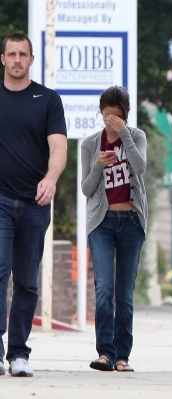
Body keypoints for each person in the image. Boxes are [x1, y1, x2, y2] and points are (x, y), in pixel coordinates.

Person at [0, 33, 67, 377]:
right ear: (2, 58)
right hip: (0, 200)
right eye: (11, 54)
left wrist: (51, 178)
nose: (16, 59)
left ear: (31, 59)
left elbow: (58, 147)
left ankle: (18, 354)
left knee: (26, 281)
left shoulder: (48, 100)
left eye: (22, 54)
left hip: (35, 203)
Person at [81, 86, 147, 372]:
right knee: (104, 288)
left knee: (125, 293)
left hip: (131, 221)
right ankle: (105, 353)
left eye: (116, 116)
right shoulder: (89, 144)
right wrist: (97, 165)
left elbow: (140, 167)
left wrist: (124, 135)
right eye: (106, 115)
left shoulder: (137, 136)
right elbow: (86, 188)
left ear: (125, 115)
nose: (110, 121)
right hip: (102, 223)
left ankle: (123, 355)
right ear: (101, 112)